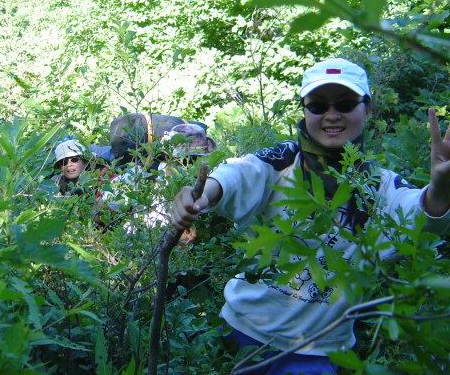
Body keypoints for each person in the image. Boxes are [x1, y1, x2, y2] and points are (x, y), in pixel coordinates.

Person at [171, 58, 450, 374]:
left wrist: (441, 190)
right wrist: (201, 194)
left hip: (317, 351)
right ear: (304, 110)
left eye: (345, 104)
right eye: (317, 105)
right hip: (240, 330)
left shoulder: (380, 186)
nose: (332, 114)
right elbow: (236, 174)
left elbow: (419, 214)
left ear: (368, 109)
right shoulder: (283, 160)